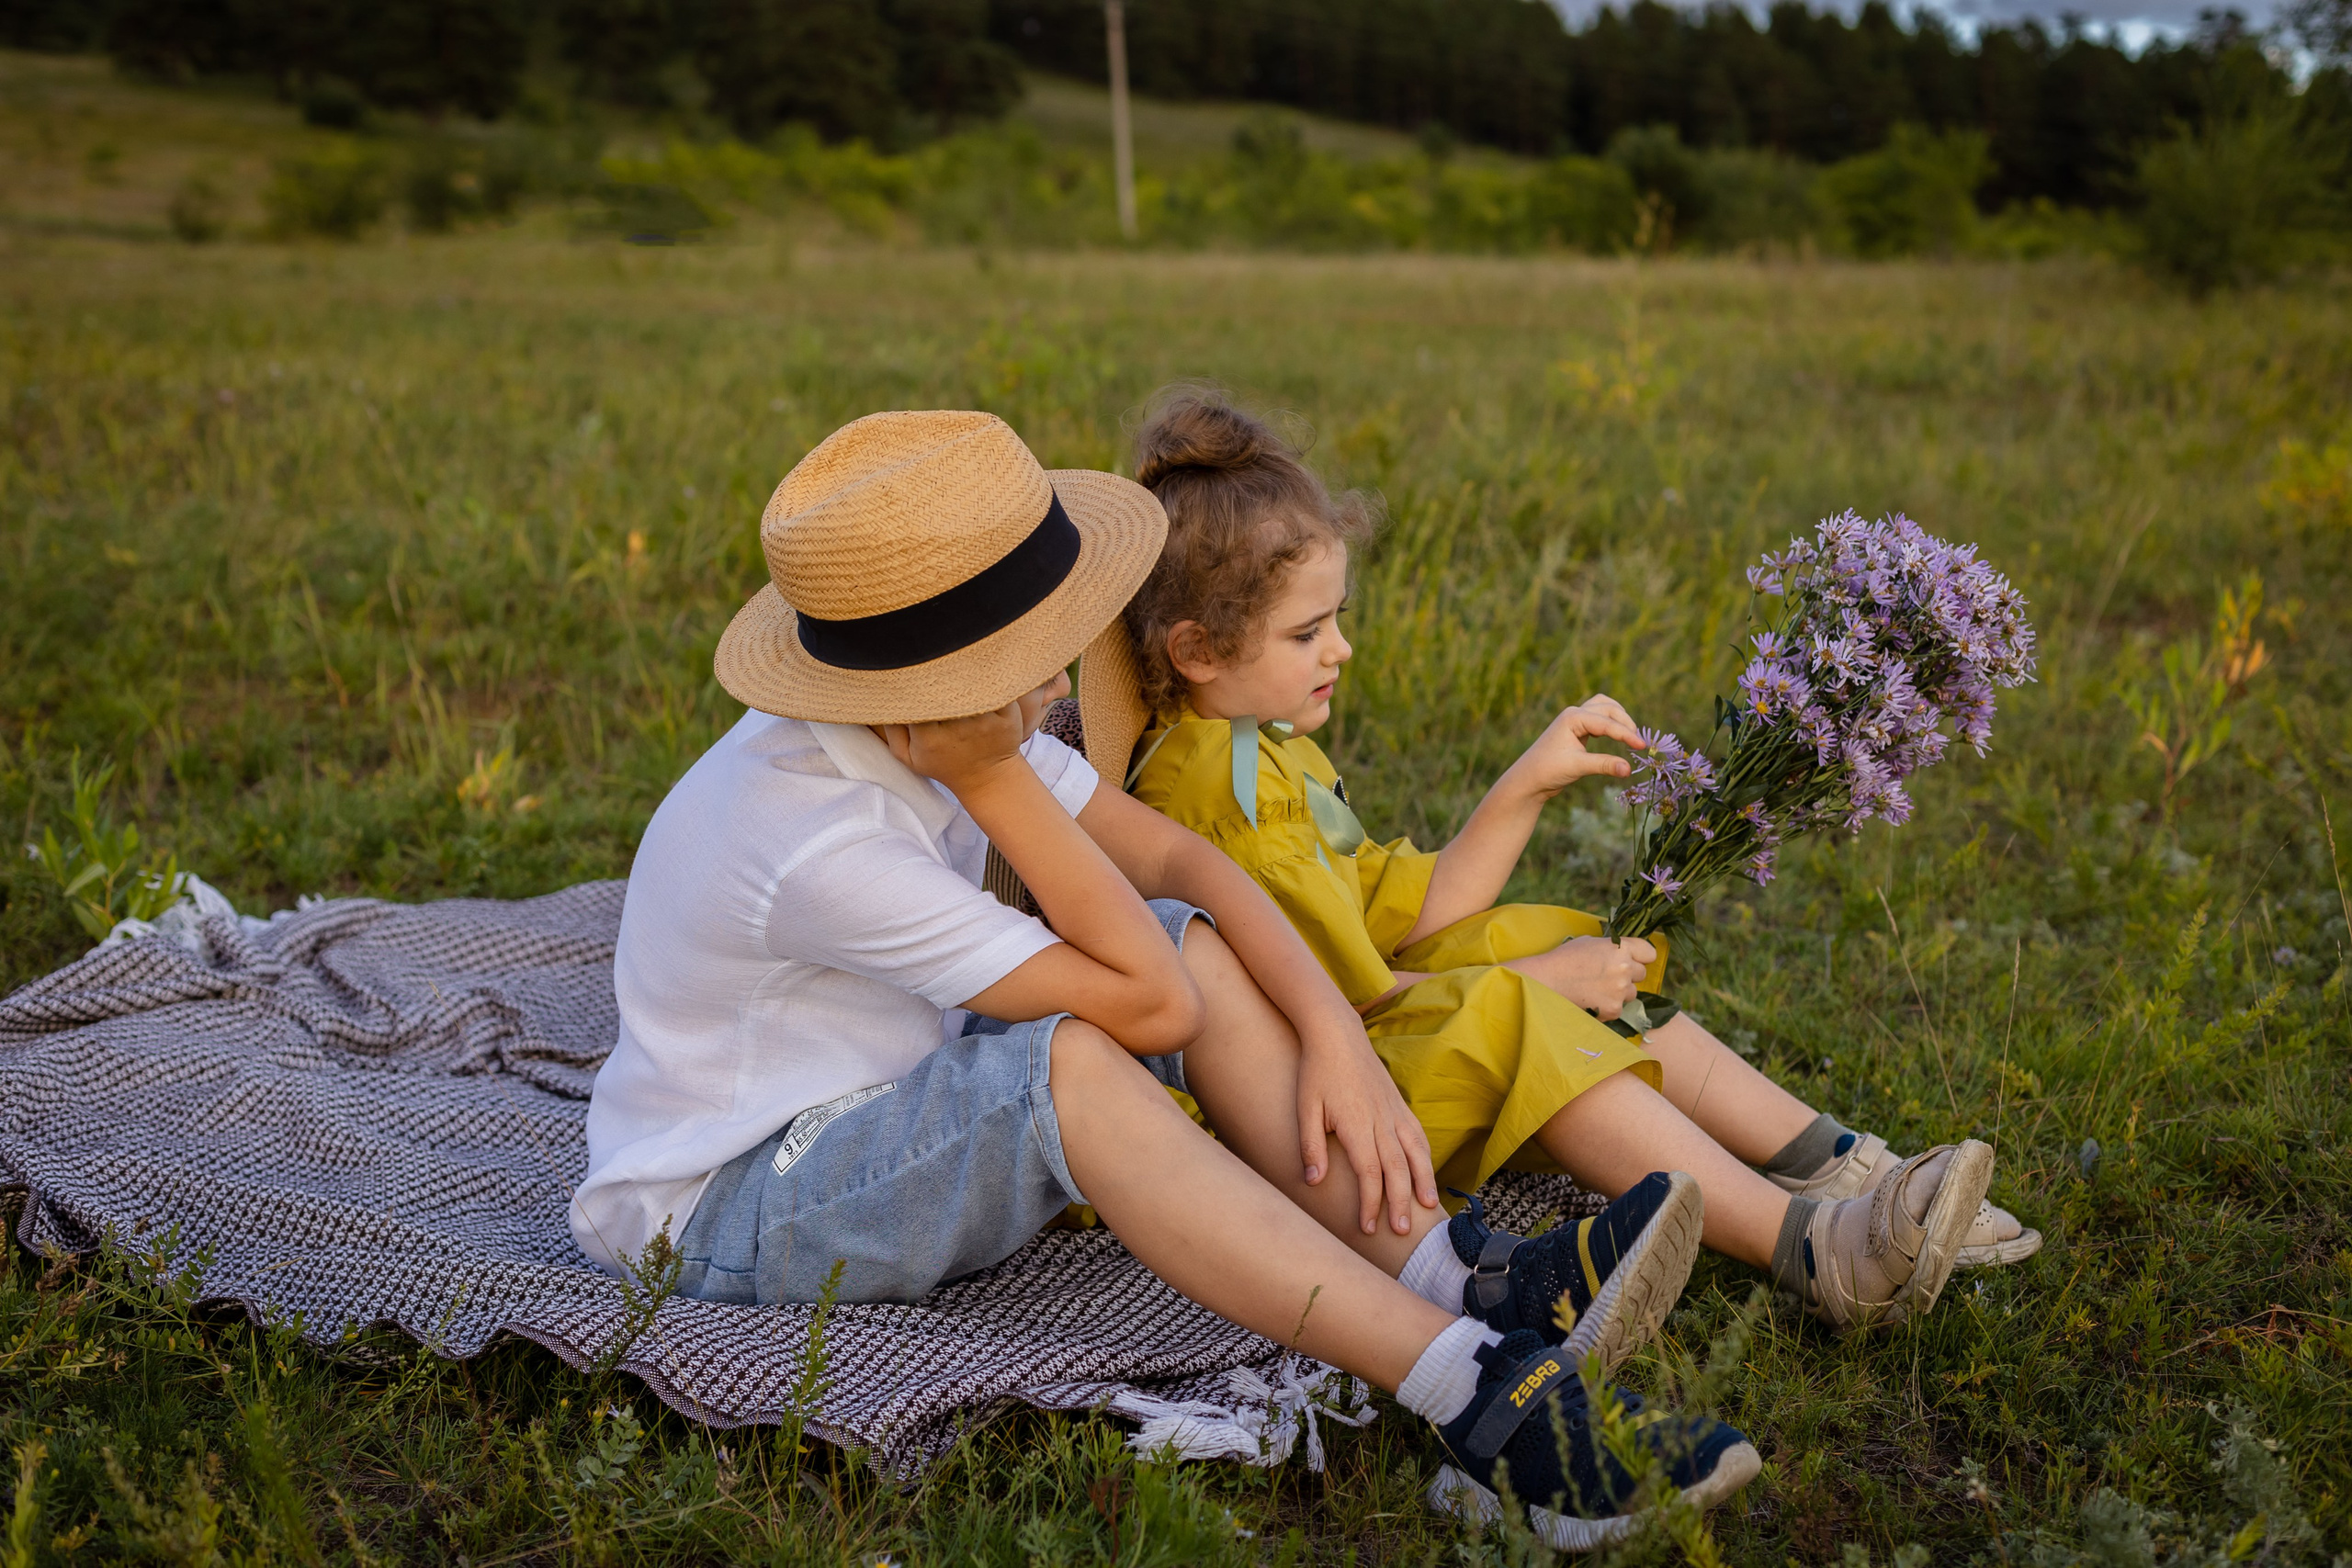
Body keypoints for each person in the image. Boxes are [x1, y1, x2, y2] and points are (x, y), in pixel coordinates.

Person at [569, 409, 1759, 1546]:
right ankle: (1470, 1390)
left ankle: (1449, 1270)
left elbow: (1184, 863)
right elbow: (1152, 1006)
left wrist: (1333, 1030)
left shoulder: (924, 722)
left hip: (881, 1088)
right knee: (1071, 1064)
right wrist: (994, 782)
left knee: (1179, 926)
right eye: (1038, 659)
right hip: (728, 1205)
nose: (1066, 685)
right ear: (939, 695)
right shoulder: (826, 835)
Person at [1077, 386, 2031, 1337]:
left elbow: (1407, 914)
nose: (1342, 648)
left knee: (1540, 939)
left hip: (1352, 1051)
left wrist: (1526, 784)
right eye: (1306, 632)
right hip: (1313, 1116)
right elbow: (1342, 1006)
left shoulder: (1260, 749)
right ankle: (1818, 1249)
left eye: (1336, 617)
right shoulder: (1222, 795)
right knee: (1527, 1006)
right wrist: (1542, 982)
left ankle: (1833, 1161)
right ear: (1197, 650)